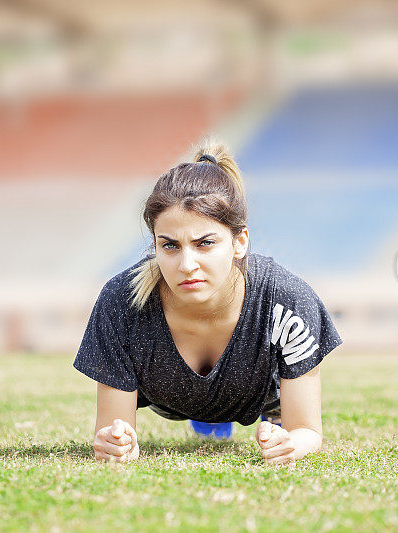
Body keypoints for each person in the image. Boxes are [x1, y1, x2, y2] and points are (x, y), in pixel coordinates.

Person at [73, 141, 342, 465]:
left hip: (259, 397)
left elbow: (308, 431)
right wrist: (117, 443)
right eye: (170, 246)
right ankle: (207, 411)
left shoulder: (287, 300)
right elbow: (113, 431)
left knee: (276, 418)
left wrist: (288, 444)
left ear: (239, 242)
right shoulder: (121, 301)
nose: (186, 264)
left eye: (205, 243)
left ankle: (237, 414)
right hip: (170, 397)